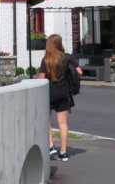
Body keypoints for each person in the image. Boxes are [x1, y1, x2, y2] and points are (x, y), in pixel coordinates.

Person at [37, 33, 82, 161]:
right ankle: (63, 152)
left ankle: (51, 146)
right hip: (64, 92)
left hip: (49, 93)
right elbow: (79, 71)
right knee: (63, 123)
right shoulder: (67, 57)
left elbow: (41, 78)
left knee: (45, 119)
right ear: (59, 43)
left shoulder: (46, 60)